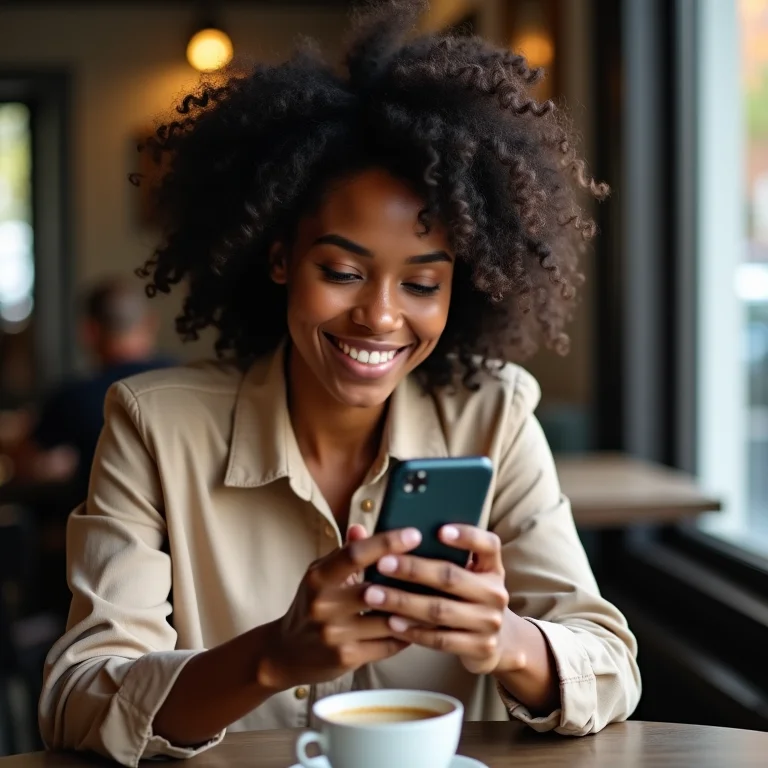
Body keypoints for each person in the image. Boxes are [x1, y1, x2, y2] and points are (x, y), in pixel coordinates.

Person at [39, 3, 641, 764]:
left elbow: (611, 664)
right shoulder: (154, 426)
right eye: (343, 272)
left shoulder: (495, 412)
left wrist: (510, 640)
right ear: (281, 257)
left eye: (423, 284)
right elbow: (75, 696)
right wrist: (271, 659)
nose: (380, 316)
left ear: (465, 288)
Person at [14, 276, 170, 503]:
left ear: (89, 331)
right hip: (181, 531)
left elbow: (24, 464)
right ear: (150, 323)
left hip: (99, 527)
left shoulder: (73, 399)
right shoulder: (186, 381)